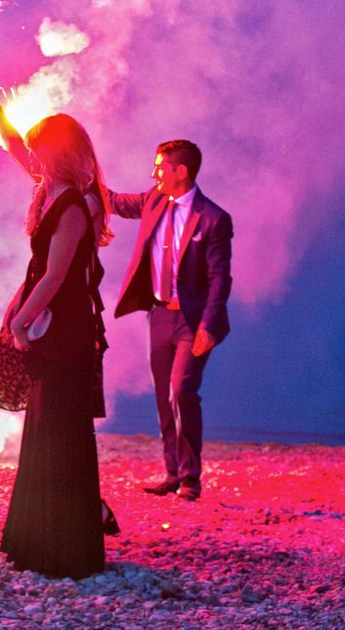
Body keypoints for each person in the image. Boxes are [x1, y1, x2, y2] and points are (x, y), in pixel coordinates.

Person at [0, 74, 111, 579]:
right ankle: (38, 541)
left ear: (54, 154)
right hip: (48, 327)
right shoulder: (50, 189)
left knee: (58, 430)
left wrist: (22, 321)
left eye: (37, 149)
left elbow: (55, 276)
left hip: (65, 331)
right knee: (43, 429)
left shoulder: (75, 204)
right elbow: (10, 141)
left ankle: (65, 549)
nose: (28, 155)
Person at [107, 140, 232, 502]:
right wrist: (86, 175)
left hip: (193, 322)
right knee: (164, 396)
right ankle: (173, 473)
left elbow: (220, 278)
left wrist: (209, 325)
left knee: (182, 391)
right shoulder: (153, 200)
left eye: (159, 167)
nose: (153, 173)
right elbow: (114, 201)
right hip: (159, 315)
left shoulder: (213, 218)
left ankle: (191, 477)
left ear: (182, 171)